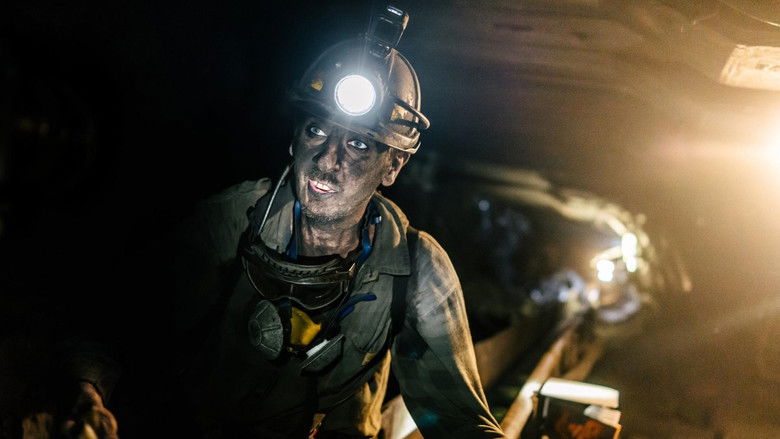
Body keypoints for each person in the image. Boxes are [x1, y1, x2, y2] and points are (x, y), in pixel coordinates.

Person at [23, 5, 506, 439]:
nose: (328, 160)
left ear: (393, 165)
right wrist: (87, 396)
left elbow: (462, 423)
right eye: (316, 130)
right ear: (294, 139)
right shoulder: (233, 222)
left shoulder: (415, 270)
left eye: (359, 145)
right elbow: (113, 328)